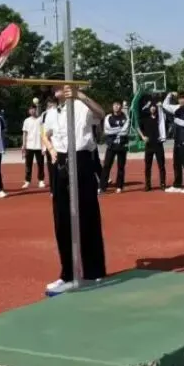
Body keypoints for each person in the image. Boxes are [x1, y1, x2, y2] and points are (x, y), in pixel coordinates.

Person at [41, 86, 107, 295]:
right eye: (55, 87)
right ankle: (67, 274)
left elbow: (101, 114)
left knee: (87, 214)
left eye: (61, 85)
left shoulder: (82, 105)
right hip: (61, 162)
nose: (58, 89)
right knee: (62, 218)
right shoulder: (51, 113)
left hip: (82, 158)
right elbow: (45, 134)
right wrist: (51, 149)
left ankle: (94, 271)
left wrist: (81, 96)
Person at [162, 91, 184, 193]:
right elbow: (165, 105)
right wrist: (169, 95)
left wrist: (176, 120)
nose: (182, 100)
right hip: (177, 139)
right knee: (176, 163)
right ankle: (177, 185)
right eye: (180, 98)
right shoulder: (176, 107)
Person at [138, 97, 167, 191]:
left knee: (161, 166)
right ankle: (147, 184)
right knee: (147, 166)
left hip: (158, 144)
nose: (153, 108)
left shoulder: (160, 118)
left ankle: (163, 183)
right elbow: (138, 127)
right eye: (151, 106)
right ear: (149, 108)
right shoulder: (145, 118)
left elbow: (165, 119)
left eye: (154, 106)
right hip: (149, 145)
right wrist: (142, 136)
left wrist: (161, 106)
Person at [101, 100, 130, 193]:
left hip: (122, 145)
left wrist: (115, 130)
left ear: (121, 106)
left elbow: (125, 131)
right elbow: (107, 131)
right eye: (115, 105)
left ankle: (119, 186)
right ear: (112, 106)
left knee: (121, 166)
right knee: (106, 166)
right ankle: (102, 186)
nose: (116, 106)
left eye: (118, 105)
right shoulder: (108, 117)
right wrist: (119, 129)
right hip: (111, 145)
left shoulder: (126, 117)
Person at [21, 105, 46, 189]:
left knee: (40, 164)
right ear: (29, 111)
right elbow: (25, 133)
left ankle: (41, 180)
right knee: (28, 165)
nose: (32, 111)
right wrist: (24, 144)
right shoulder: (26, 121)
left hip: (39, 146)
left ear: (36, 110)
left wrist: (44, 146)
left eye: (34, 109)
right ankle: (27, 181)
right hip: (29, 146)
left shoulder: (41, 120)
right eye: (30, 109)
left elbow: (43, 133)